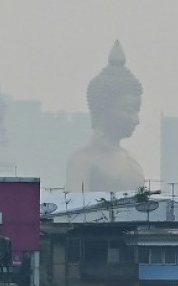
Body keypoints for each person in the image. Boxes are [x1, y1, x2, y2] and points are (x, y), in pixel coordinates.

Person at [66, 40, 145, 194]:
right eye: (129, 110)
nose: (136, 120)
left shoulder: (132, 161)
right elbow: (72, 213)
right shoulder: (83, 161)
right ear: (103, 109)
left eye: (137, 111)